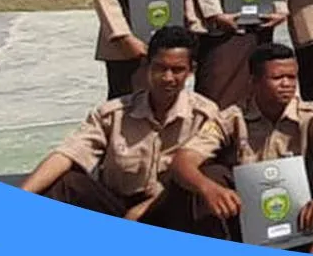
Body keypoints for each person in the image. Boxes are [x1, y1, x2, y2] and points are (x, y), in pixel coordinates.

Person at [168, 43, 313, 256]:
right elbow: (183, 160)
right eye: (278, 78)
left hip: (302, 212)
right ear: (254, 82)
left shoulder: (312, 115)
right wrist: (208, 188)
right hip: (248, 213)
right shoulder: (233, 117)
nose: (287, 84)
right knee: (210, 175)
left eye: (292, 77)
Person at [20, 27, 219, 227]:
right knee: (66, 183)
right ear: (147, 66)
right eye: (160, 68)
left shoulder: (205, 116)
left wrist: (142, 210)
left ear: (191, 70)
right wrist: (23, 195)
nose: (168, 77)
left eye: (177, 70)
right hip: (118, 206)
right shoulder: (113, 114)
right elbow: (67, 154)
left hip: (169, 210)